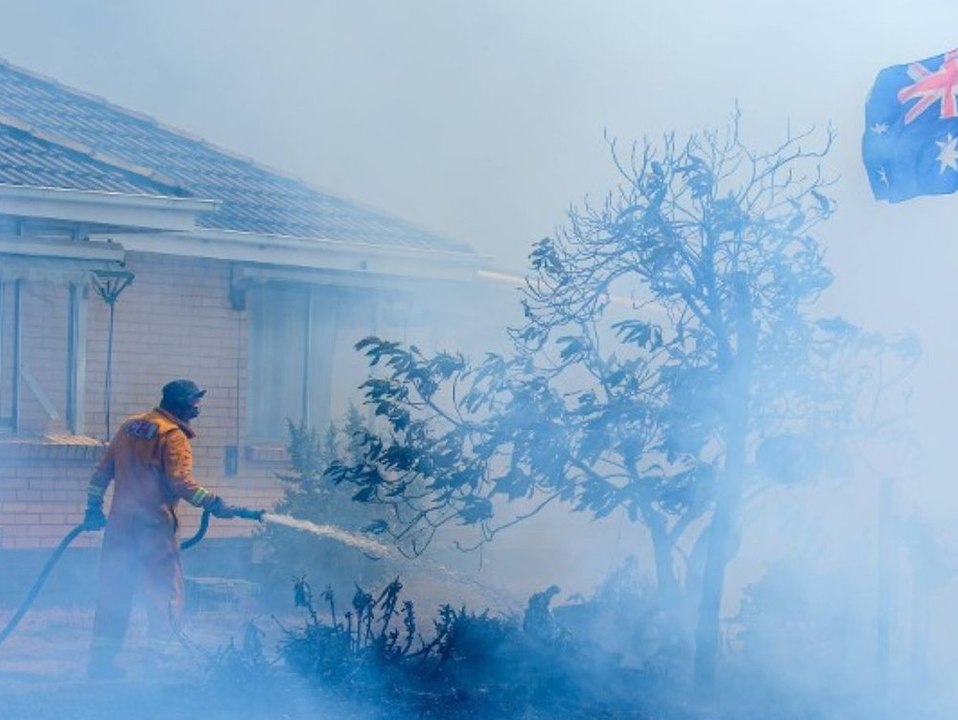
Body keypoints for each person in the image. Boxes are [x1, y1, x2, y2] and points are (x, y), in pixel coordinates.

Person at [82, 379, 239, 678]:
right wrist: (214, 503)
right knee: (164, 593)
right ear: (179, 404)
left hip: (119, 526)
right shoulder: (172, 435)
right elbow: (180, 483)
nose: (197, 409)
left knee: (114, 591)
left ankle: (100, 664)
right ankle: (160, 667)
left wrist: (92, 507)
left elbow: (102, 471)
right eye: (194, 403)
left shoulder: (130, 426)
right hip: (153, 528)